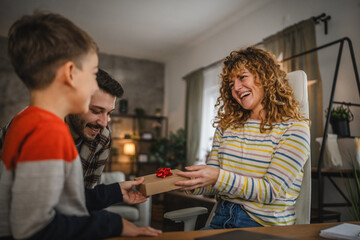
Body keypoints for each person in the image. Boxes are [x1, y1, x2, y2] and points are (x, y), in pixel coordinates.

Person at [0, 12, 161, 239]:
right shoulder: (48, 132)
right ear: (70, 74)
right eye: (93, 73)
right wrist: (115, 225)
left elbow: (61, 201)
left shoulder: (27, 121)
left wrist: (114, 192)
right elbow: (34, 228)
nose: (93, 83)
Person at [176, 47, 310, 229]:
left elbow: (270, 191)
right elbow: (213, 183)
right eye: (231, 84)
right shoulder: (227, 127)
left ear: (265, 76)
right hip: (220, 216)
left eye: (242, 77)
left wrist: (217, 176)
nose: (236, 88)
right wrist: (190, 183)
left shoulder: (295, 128)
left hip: (261, 226)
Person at [65, 68, 123, 188]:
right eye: (96, 111)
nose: (103, 123)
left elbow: (88, 192)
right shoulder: (40, 129)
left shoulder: (103, 136)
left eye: (109, 113)